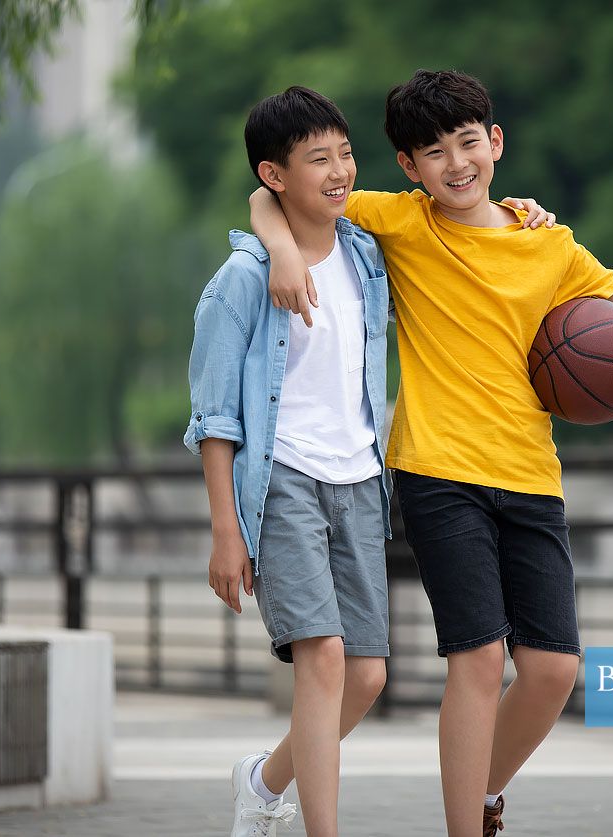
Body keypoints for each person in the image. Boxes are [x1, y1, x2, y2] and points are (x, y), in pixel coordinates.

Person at [251, 69, 613, 837]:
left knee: (552, 669)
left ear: (495, 141)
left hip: (530, 476)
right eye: (432, 152)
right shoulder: (406, 223)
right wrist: (282, 250)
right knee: (479, 660)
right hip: (436, 473)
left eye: (467, 142)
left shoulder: (545, 241)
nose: (455, 164)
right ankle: (464, 826)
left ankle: (479, 791)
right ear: (407, 168)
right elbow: (274, 192)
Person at [185, 85, 393, 837]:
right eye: (319, 160)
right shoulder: (239, 283)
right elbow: (212, 418)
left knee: (365, 676)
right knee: (325, 657)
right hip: (284, 481)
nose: (339, 171)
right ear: (276, 175)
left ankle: (263, 781)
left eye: (344, 154)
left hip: (362, 479)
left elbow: (450, 216)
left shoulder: (368, 255)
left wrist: (521, 209)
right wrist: (225, 529)